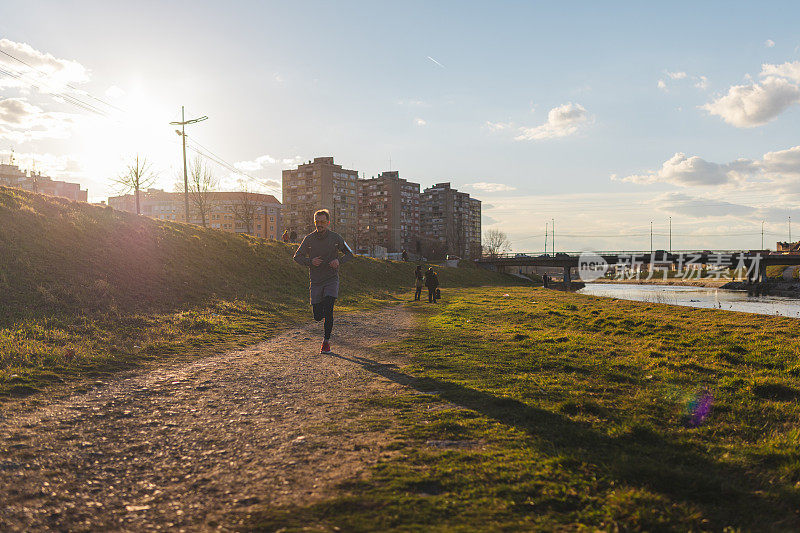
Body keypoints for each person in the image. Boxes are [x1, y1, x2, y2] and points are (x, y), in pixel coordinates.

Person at [293, 209, 354, 354]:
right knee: (317, 316)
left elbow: (350, 254)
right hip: (316, 281)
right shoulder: (309, 239)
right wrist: (310, 261)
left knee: (329, 308)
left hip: (331, 279)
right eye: (317, 222)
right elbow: (297, 257)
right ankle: (323, 317)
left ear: (328, 223)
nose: (319, 224)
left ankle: (326, 342)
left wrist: (338, 261)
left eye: (322, 222)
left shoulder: (336, 238)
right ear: (314, 222)